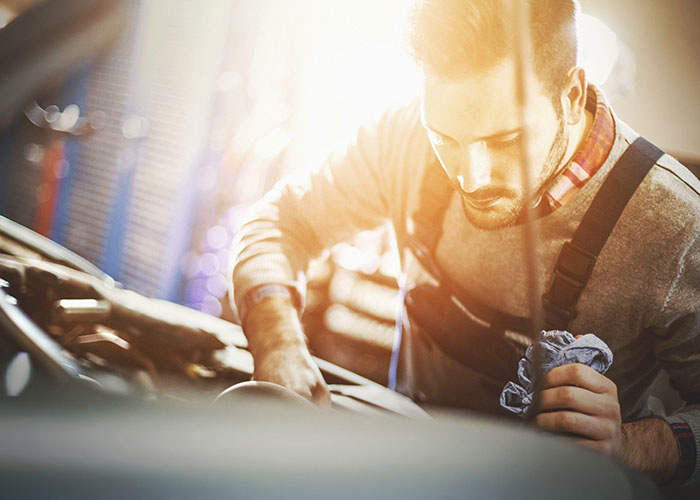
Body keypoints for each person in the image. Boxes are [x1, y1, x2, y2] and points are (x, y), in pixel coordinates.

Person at [230, 0, 700, 486]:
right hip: (406, 468)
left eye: (505, 139)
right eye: (447, 138)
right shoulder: (405, 136)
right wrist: (278, 343)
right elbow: (280, 221)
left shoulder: (676, 225)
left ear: (572, 92)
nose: (471, 178)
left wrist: (627, 444)